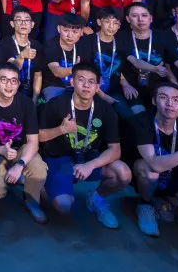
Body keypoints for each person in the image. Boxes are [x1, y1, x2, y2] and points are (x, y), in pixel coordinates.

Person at [38, 61, 130, 228]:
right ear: (72, 82)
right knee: (63, 206)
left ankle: (96, 198)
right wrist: (61, 129)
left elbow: (115, 150)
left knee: (123, 173)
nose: (86, 85)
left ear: (97, 86)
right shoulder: (56, 104)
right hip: (60, 159)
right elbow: (39, 136)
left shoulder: (105, 109)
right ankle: (45, 187)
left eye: (91, 81)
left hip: (89, 158)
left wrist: (91, 165)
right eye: (81, 80)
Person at [131, 82, 178, 237]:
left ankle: (164, 199)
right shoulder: (142, 121)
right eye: (163, 97)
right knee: (151, 172)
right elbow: (154, 164)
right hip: (140, 174)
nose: (170, 104)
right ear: (154, 101)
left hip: (171, 175)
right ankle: (145, 204)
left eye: (176, 100)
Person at [0, 62, 48, 223]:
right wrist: (1, 150)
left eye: (13, 80)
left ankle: (31, 200)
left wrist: (20, 165)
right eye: (4, 79)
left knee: (39, 169)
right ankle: (6, 180)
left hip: (20, 148)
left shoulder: (26, 103)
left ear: (18, 84)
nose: (9, 85)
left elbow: (33, 142)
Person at [116, 2, 176, 111]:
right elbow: (124, 63)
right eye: (135, 16)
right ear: (128, 19)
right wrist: (125, 84)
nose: (140, 19)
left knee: (163, 111)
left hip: (157, 85)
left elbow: (171, 63)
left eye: (144, 15)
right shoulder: (121, 37)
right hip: (131, 86)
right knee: (138, 112)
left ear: (151, 18)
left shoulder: (162, 37)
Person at [78, 6, 134, 119]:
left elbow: (120, 68)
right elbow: (83, 71)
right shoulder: (87, 42)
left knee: (128, 117)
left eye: (115, 23)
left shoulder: (121, 42)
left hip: (113, 89)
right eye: (107, 22)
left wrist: (125, 83)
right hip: (90, 89)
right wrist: (103, 96)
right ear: (99, 22)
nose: (111, 27)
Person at [40, 13, 86, 101]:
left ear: (81, 32)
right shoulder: (51, 45)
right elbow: (56, 71)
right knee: (56, 103)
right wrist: (74, 69)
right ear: (58, 29)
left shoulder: (84, 45)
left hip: (77, 87)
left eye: (75, 32)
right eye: (66, 30)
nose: (70, 35)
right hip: (54, 87)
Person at [0, 5, 43, 100]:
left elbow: (38, 76)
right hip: (8, 93)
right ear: (12, 24)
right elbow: (10, 70)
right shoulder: (4, 44)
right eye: (19, 20)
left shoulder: (37, 46)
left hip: (29, 95)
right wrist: (22, 56)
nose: (23, 23)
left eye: (27, 20)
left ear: (32, 24)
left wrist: (34, 101)